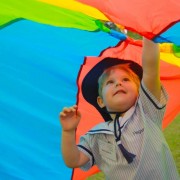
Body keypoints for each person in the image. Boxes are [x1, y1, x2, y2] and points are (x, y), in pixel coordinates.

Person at [59, 37, 179, 179]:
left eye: (126, 79)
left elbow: (151, 69)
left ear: (140, 91)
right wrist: (68, 131)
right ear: (101, 101)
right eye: (110, 82)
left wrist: (149, 34)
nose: (118, 83)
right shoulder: (96, 135)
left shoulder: (147, 111)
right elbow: (74, 160)